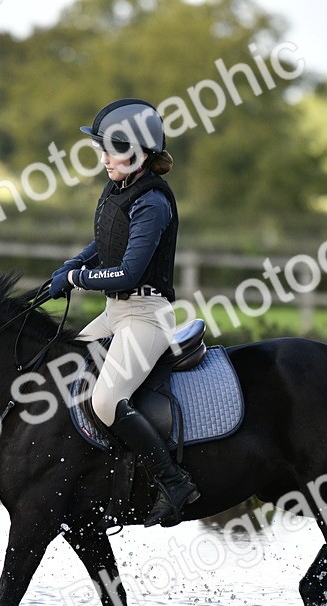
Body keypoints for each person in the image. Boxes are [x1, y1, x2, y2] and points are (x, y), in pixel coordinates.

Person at [48, 98, 199, 527]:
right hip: (116, 314)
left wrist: (77, 280)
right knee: (65, 372)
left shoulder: (152, 202)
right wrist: (71, 263)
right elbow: (106, 241)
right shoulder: (120, 188)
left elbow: (128, 271)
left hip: (145, 317)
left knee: (107, 398)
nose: (103, 158)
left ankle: (174, 482)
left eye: (110, 149)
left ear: (139, 153)